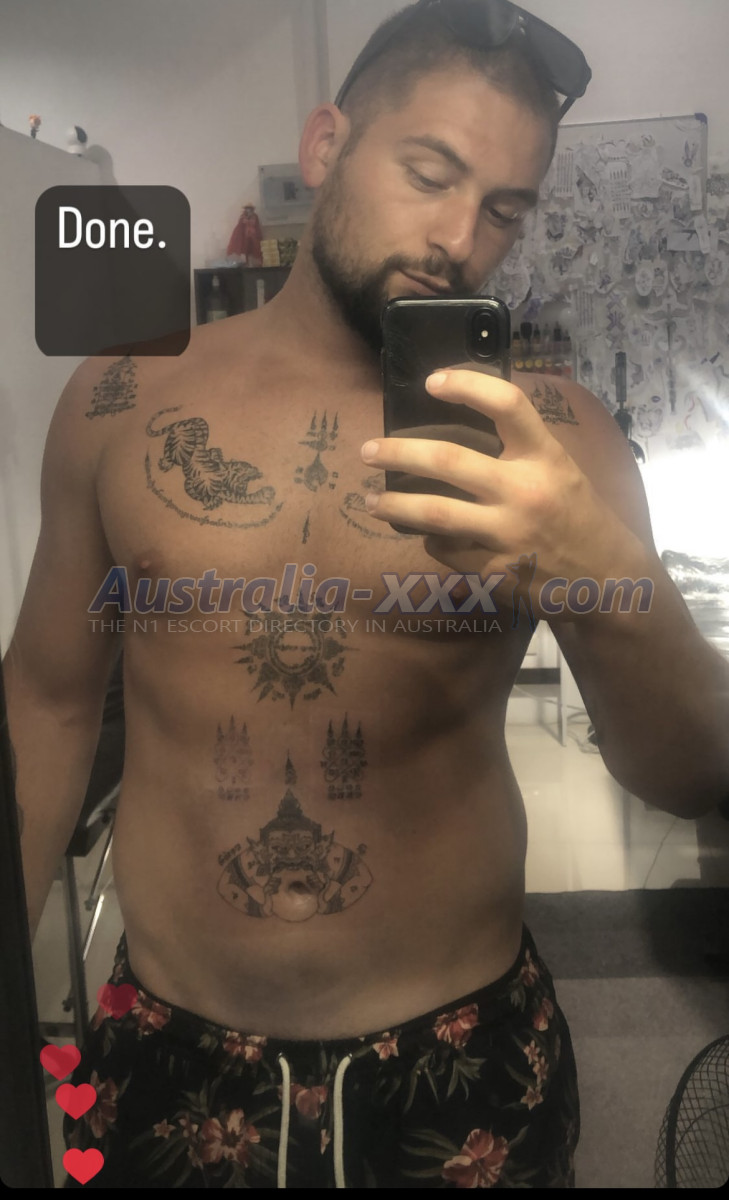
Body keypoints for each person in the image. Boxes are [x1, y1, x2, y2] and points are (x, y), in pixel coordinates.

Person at [5, 0, 728, 1188]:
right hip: (170, 1063)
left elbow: (690, 772)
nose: (458, 237)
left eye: (505, 209)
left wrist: (595, 570)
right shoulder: (122, 397)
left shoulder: (556, 437)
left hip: (462, 1063)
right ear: (327, 145)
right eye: (430, 173)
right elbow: (47, 700)